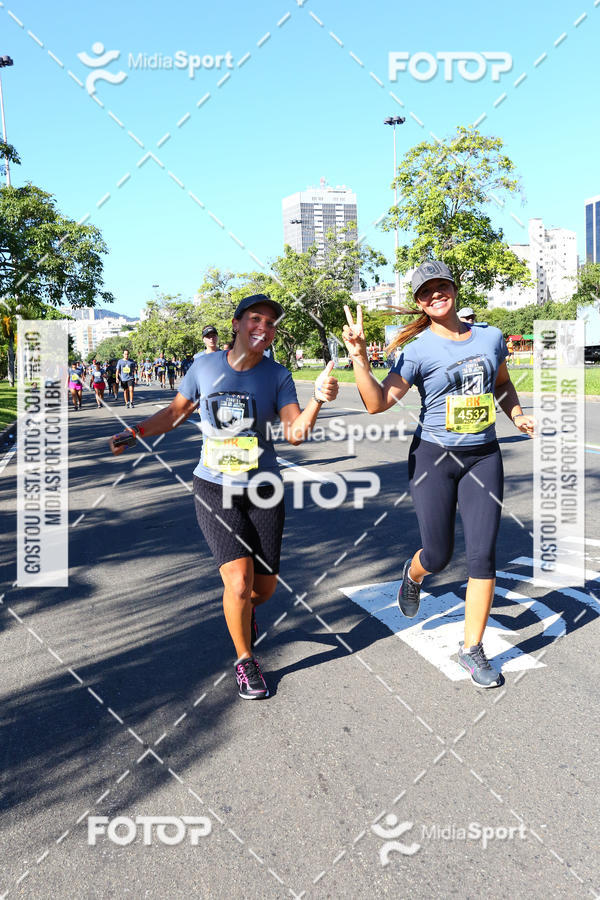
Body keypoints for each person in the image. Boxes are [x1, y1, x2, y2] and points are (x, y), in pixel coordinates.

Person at [110, 294, 339, 701]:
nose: (263, 328)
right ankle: (245, 660)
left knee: (263, 590)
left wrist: (318, 399)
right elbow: (177, 412)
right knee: (237, 581)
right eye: (255, 319)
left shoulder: (278, 375)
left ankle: (245, 615)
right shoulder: (204, 366)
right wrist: (137, 431)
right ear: (236, 324)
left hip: (263, 488)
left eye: (270, 323)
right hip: (214, 487)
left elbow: (295, 433)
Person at [342, 261, 534, 689]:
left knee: (483, 556)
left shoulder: (490, 336)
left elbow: (501, 383)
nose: (435, 295)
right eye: (425, 292)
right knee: (439, 554)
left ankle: (472, 648)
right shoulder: (417, 350)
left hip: (484, 456)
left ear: (454, 287)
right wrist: (358, 358)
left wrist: (516, 415)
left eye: (441, 286)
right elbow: (376, 404)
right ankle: (412, 575)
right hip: (434, 458)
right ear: (419, 302)